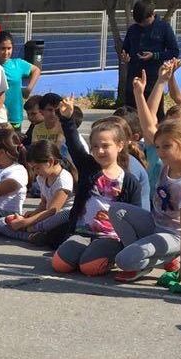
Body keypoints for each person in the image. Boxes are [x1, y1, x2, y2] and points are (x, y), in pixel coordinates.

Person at [112, 74, 181, 282]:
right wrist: (139, 94)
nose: (160, 151)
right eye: (158, 146)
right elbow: (148, 125)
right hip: (154, 223)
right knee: (117, 210)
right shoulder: (164, 164)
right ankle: (146, 254)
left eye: (167, 146)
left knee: (123, 260)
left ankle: (157, 260)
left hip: (174, 236)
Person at [51, 114, 142, 277]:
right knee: (60, 264)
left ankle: (109, 257)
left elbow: (135, 216)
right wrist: (67, 119)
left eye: (105, 146)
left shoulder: (129, 181)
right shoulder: (89, 168)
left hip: (110, 237)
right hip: (82, 232)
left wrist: (131, 250)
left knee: (89, 268)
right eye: (95, 146)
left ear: (120, 145)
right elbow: (74, 145)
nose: (100, 151)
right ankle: (84, 252)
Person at [0, 139, 73, 245]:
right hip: (45, 217)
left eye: (37, 168)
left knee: (65, 214)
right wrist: (31, 215)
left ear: (50, 162)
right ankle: (30, 236)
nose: (35, 172)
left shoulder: (64, 179)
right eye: (33, 168)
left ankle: (30, 230)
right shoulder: (42, 178)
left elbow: (53, 211)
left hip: (59, 218)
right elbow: (43, 204)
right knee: (0, 222)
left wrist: (25, 222)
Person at [117, 0, 180, 104]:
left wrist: (154, 55)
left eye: (145, 22)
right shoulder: (133, 30)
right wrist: (125, 57)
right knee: (130, 115)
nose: (142, 25)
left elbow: (174, 52)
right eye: (139, 22)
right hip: (134, 80)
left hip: (153, 81)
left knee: (154, 115)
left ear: (152, 14)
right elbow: (125, 49)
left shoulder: (164, 28)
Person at [0, 30, 40, 128]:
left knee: (14, 142)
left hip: (14, 115)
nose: (6, 52)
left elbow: (36, 70)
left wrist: (29, 88)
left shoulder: (17, 64)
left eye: (9, 48)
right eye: (2, 48)